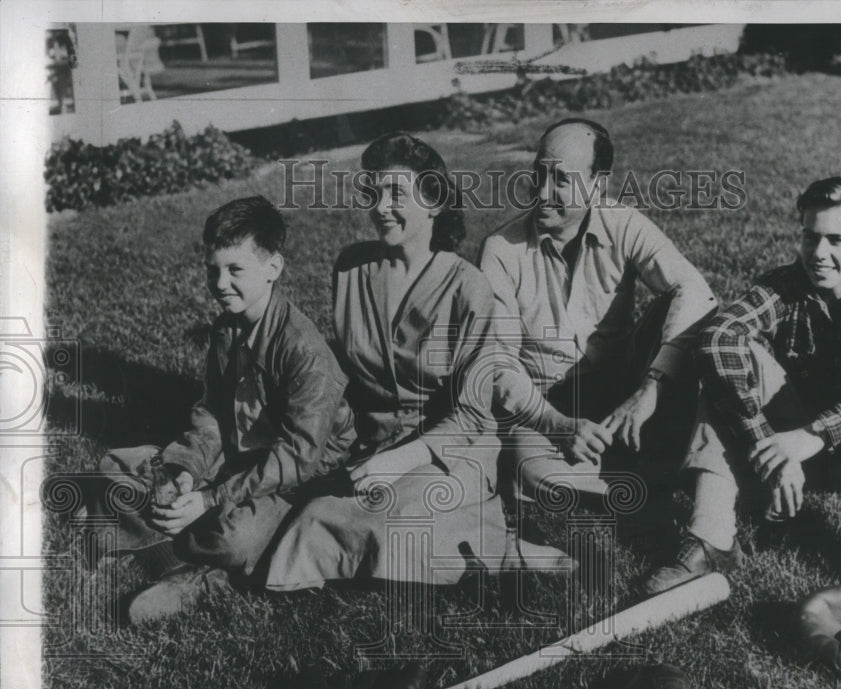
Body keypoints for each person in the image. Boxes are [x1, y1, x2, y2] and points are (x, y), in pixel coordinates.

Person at [644, 176, 841, 643]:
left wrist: (811, 437)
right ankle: (712, 538)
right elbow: (717, 338)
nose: (818, 252)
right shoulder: (784, 285)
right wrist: (766, 447)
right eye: (810, 236)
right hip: (785, 450)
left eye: (836, 239)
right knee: (729, 363)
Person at [263, 133, 571, 591]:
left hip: (452, 451)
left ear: (432, 201)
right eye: (374, 192)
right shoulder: (351, 268)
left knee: (388, 527)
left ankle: (499, 548)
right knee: (315, 513)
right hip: (373, 448)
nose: (381, 207)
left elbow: (471, 414)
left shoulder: (469, 287)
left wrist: (401, 461)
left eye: (396, 193)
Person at [86, 196, 356, 623]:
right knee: (118, 463)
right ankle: (178, 546)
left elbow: (298, 460)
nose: (220, 283)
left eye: (235, 270)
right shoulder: (227, 328)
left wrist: (210, 497)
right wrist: (187, 471)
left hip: (292, 482)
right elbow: (212, 412)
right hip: (237, 458)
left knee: (237, 538)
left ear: (273, 268)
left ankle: (192, 572)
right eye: (213, 270)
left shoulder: (306, 353)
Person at [478, 118, 717, 505]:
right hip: (546, 402)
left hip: (622, 382)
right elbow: (498, 363)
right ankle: (653, 481)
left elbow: (694, 290)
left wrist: (651, 388)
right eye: (538, 173)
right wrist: (557, 425)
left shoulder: (621, 222)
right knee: (528, 467)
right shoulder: (500, 250)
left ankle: (636, 469)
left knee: (689, 320)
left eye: (561, 179)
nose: (542, 191)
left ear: (597, 184)